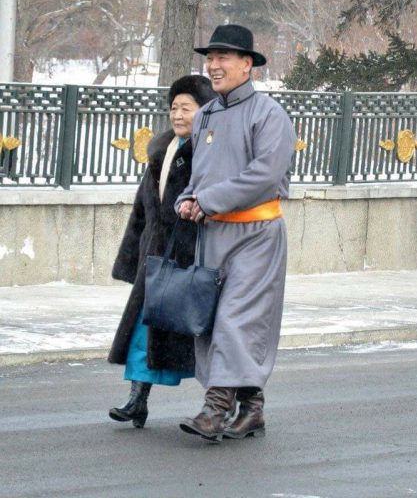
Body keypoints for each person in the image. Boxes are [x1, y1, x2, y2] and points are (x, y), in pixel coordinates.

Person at [177, 24, 297, 442]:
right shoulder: (206, 115)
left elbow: (265, 175)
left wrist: (209, 199)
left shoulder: (269, 115)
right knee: (215, 323)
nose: (213, 65)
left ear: (247, 65)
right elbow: (198, 174)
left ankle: (214, 410)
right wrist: (187, 199)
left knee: (235, 320)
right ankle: (252, 408)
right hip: (213, 236)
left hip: (256, 235)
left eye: (223, 57)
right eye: (210, 58)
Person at [108, 75, 216, 428]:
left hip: (193, 257)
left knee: (205, 336)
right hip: (156, 257)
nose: (178, 114)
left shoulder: (210, 151)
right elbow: (143, 208)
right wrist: (130, 257)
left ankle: (228, 405)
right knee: (144, 330)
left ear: (204, 111)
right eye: (174, 107)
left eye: (187, 108)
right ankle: (137, 400)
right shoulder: (162, 148)